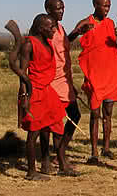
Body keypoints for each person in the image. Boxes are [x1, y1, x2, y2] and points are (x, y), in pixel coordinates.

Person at [15, 14, 70, 180]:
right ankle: (31, 171)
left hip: (48, 91)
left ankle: (62, 165)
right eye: (50, 27)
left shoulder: (47, 42)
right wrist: (24, 96)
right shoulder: (29, 45)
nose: (54, 30)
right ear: (40, 28)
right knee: (34, 133)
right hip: (34, 92)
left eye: (54, 26)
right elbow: (22, 73)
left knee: (58, 126)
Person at [76, 0, 117, 164]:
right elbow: (70, 38)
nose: (107, 9)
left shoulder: (111, 24)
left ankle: (107, 148)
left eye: (109, 6)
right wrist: (79, 31)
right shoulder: (86, 23)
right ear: (95, 5)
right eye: (104, 6)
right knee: (95, 114)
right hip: (95, 75)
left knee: (108, 113)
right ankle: (94, 152)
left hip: (110, 74)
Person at [44, 0, 90, 168]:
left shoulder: (60, 28)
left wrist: (76, 33)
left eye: (63, 8)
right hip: (52, 80)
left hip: (64, 79)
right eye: (58, 8)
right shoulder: (46, 29)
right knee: (54, 120)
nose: (62, 11)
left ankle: (59, 153)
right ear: (48, 10)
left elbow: (64, 46)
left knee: (74, 115)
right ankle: (55, 157)